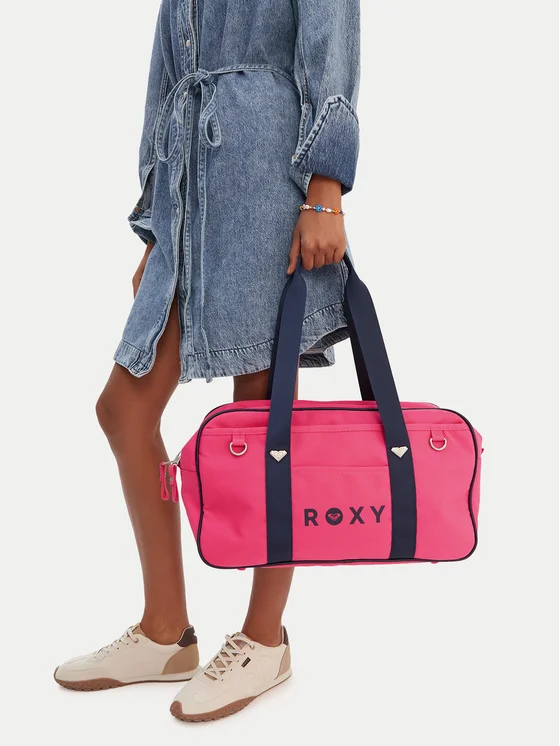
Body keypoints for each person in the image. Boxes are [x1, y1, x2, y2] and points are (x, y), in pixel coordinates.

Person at [54, 0, 360, 722]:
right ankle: (166, 630)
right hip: (188, 192)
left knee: (263, 418)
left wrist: (326, 188)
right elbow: (166, 75)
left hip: (267, 175)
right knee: (123, 409)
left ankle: (264, 639)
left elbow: (331, 42)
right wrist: (156, 226)